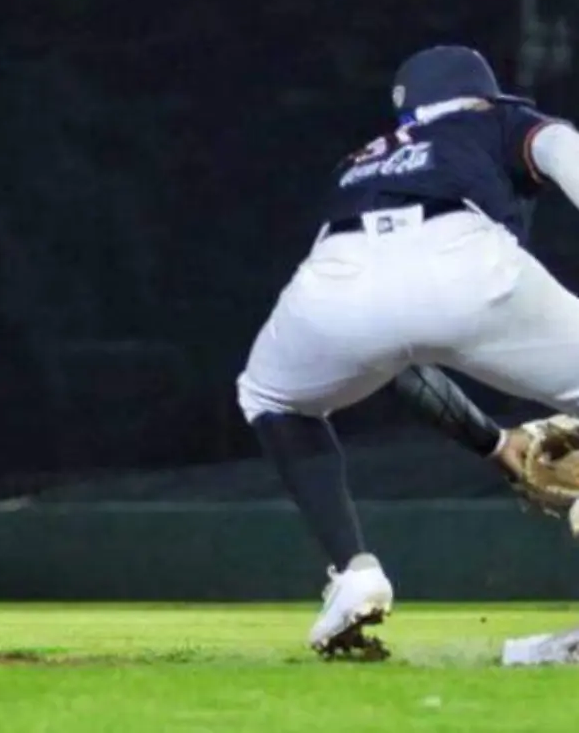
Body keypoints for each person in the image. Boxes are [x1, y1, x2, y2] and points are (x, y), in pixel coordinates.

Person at [235, 44, 579, 659]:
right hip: (465, 259)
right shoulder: (493, 119)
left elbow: (398, 353)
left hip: (333, 281)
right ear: (478, 95)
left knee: (272, 398)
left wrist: (496, 445)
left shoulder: (364, 162)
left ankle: (354, 572)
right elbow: (558, 148)